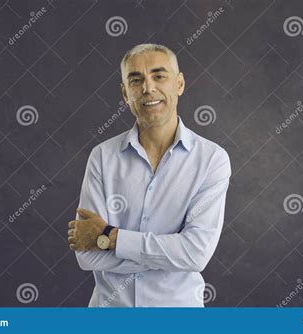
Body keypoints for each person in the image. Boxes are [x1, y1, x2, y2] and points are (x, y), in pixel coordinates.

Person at [67, 43, 231, 307]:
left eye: (159, 76)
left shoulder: (212, 160)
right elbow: (87, 256)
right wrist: (168, 253)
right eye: (136, 80)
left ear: (179, 84)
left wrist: (109, 237)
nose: (148, 88)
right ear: (125, 93)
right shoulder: (102, 156)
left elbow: (195, 255)